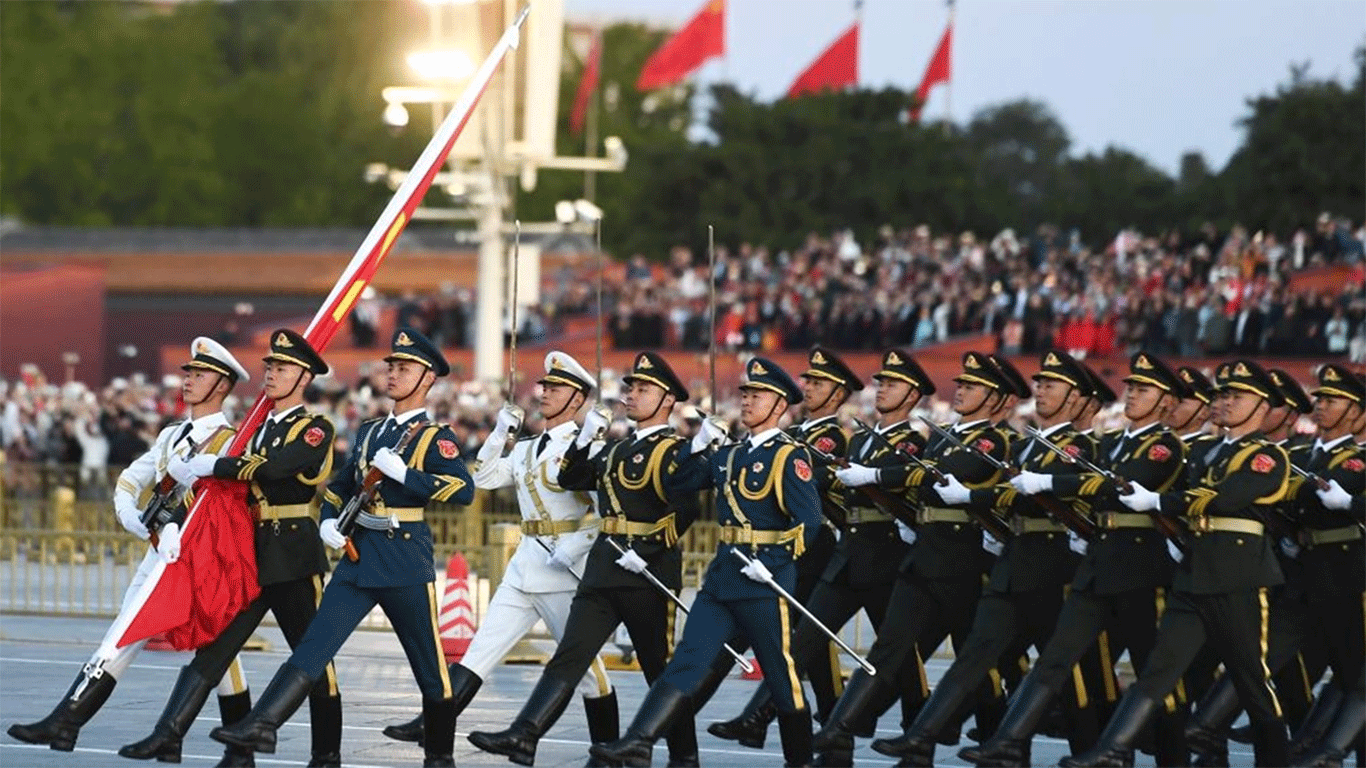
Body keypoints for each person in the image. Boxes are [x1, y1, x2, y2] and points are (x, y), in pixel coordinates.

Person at [209, 328, 474, 768]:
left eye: (404, 368)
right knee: (314, 647)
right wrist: (329, 519)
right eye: (391, 366)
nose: (392, 374)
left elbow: (461, 490)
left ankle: (439, 759)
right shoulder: (370, 432)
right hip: (357, 557)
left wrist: (408, 476)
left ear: (427, 379)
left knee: (430, 671)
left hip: (404, 561)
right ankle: (263, 724)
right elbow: (339, 485)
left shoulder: (434, 438)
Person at [849, 351, 1103, 766]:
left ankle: (1089, 750)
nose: (1040, 392)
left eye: (1051, 386)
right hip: (1015, 561)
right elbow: (1011, 492)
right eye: (1039, 385)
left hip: (1057, 566)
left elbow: (1088, 490)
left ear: (1076, 398)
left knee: (1068, 674)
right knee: (979, 656)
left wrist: (976, 497)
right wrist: (985, 513)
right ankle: (929, 738)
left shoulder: (1080, 445)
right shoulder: (1030, 446)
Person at [7, 338, 250, 758]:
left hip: (200, 558)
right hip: (160, 554)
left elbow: (226, 504)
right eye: (188, 372)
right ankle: (71, 725)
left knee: (212, 645)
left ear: (223, 387)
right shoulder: (173, 434)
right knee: (135, 635)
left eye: (201, 375)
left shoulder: (231, 442)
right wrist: (132, 518)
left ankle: (68, 720)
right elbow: (130, 480)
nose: (189, 380)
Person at [378, 352, 619, 759]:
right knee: (480, 651)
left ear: (578, 400)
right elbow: (485, 477)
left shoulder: (586, 449)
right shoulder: (526, 448)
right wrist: (500, 434)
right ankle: (432, 721)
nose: (545, 394)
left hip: (564, 572)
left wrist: (575, 546)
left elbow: (603, 511)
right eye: (545, 386)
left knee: (587, 672)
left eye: (556, 389)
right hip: (526, 564)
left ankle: (606, 750)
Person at [467, 352, 702, 767]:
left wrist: (647, 550)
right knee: (570, 655)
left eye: (643, 390)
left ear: (668, 401)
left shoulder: (674, 450)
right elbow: (571, 477)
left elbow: (685, 509)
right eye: (630, 388)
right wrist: (585, 437)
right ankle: (524, 735)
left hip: (647, 574)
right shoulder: (616, 447)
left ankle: (684, 757)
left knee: (657, 671)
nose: (631, 396)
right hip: (603, 571)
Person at [588, 356, 824, 768]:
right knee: (685, 662)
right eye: (746, 394)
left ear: (780, 405)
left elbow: (810, 522)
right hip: (723, 577)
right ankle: (639, 741)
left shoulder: (790, 456)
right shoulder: (729, 454)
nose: (748, 401)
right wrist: (698, 445)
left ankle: (800, 762)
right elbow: (679, 483)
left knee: (781, 678)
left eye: (759, 396)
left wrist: (776, 559)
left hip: (764, 581)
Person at [121, 329, 341, 767]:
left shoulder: (315, 428)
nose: (271, 375)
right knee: (217, 647)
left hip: (293, 555)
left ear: (303, 377)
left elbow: (278, 468)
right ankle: (170, 733)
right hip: (251, 554)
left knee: (314, 661)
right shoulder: (253, 428)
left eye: (280, 369)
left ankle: (326, 756)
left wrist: (217, 465)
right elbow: (242, 478)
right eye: (269, 368)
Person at [962, 353, 1191, 767]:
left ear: (1166, 402)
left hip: (1142, 567)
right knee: (1057, 656)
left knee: (1154, 674)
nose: (1132, 395)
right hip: (1099, 562)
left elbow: (1106, 486)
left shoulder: (1163, 446)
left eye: (1144, 390)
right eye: (1131, 387)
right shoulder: (1114, 443)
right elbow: (1093, 486)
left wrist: (1051, 483)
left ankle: (1172, 758)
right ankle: (1011, 740)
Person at [1064, 359, 1294, 767]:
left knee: (1252, 682)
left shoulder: (1266, 457)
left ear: (1262, 406)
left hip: (1236, 579)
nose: (1224, 402)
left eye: (1236, 396)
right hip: (1193, 576)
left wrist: (1157, 502)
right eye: (1222, 394)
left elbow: (1224, 499)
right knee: (1158, 671)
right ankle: (1112, 749)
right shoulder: (1206, 452)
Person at [818, 351, 1015, 757]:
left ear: (994, 399)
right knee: (891, 646)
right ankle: (844, 729)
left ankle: (996, 736)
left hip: (963, 558)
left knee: (973, 655)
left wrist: (874, 476)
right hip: (925, 552)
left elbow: (929, 476)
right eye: (959, 385)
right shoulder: (943, 436)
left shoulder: (993, 440)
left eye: (970, 387)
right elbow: (918, 477)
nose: (959, 391)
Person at [703, 346, 860, 757]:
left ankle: (781, 722)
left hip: (815, 544)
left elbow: (814, 481)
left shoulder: (831, 437)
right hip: (785, 551)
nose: (808, 387)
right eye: (807, 380)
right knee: (804, 641)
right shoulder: (796, 437)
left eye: (819, 383)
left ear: (839, 394)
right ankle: (827, 730)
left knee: (798, 641)